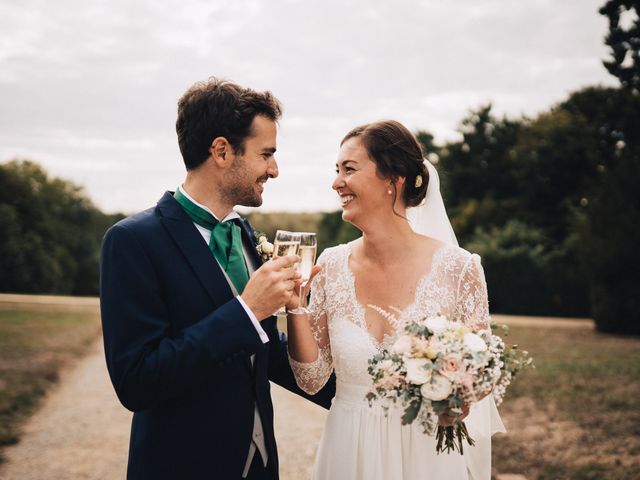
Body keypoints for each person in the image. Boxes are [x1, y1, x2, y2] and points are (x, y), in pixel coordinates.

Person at [99, 77, 335, 480]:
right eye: (266, 154)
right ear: (222, 151)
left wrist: (365, 398)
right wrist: (247, 311)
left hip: (259, 467)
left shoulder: (244, 234)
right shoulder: (132, 241)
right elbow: (136, 381)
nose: (274, 170)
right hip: (180, 466)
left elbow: (261, 352)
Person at [286, 120, 505, 479]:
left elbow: (483, 377)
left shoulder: (460, 268)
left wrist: (457, 399)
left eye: (349, 169)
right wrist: (295, 305)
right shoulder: (329, 265)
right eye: (336, 170)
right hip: (348, 451)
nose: (336, 182)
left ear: (393, 179)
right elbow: (311, 379)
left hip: (426, 457)